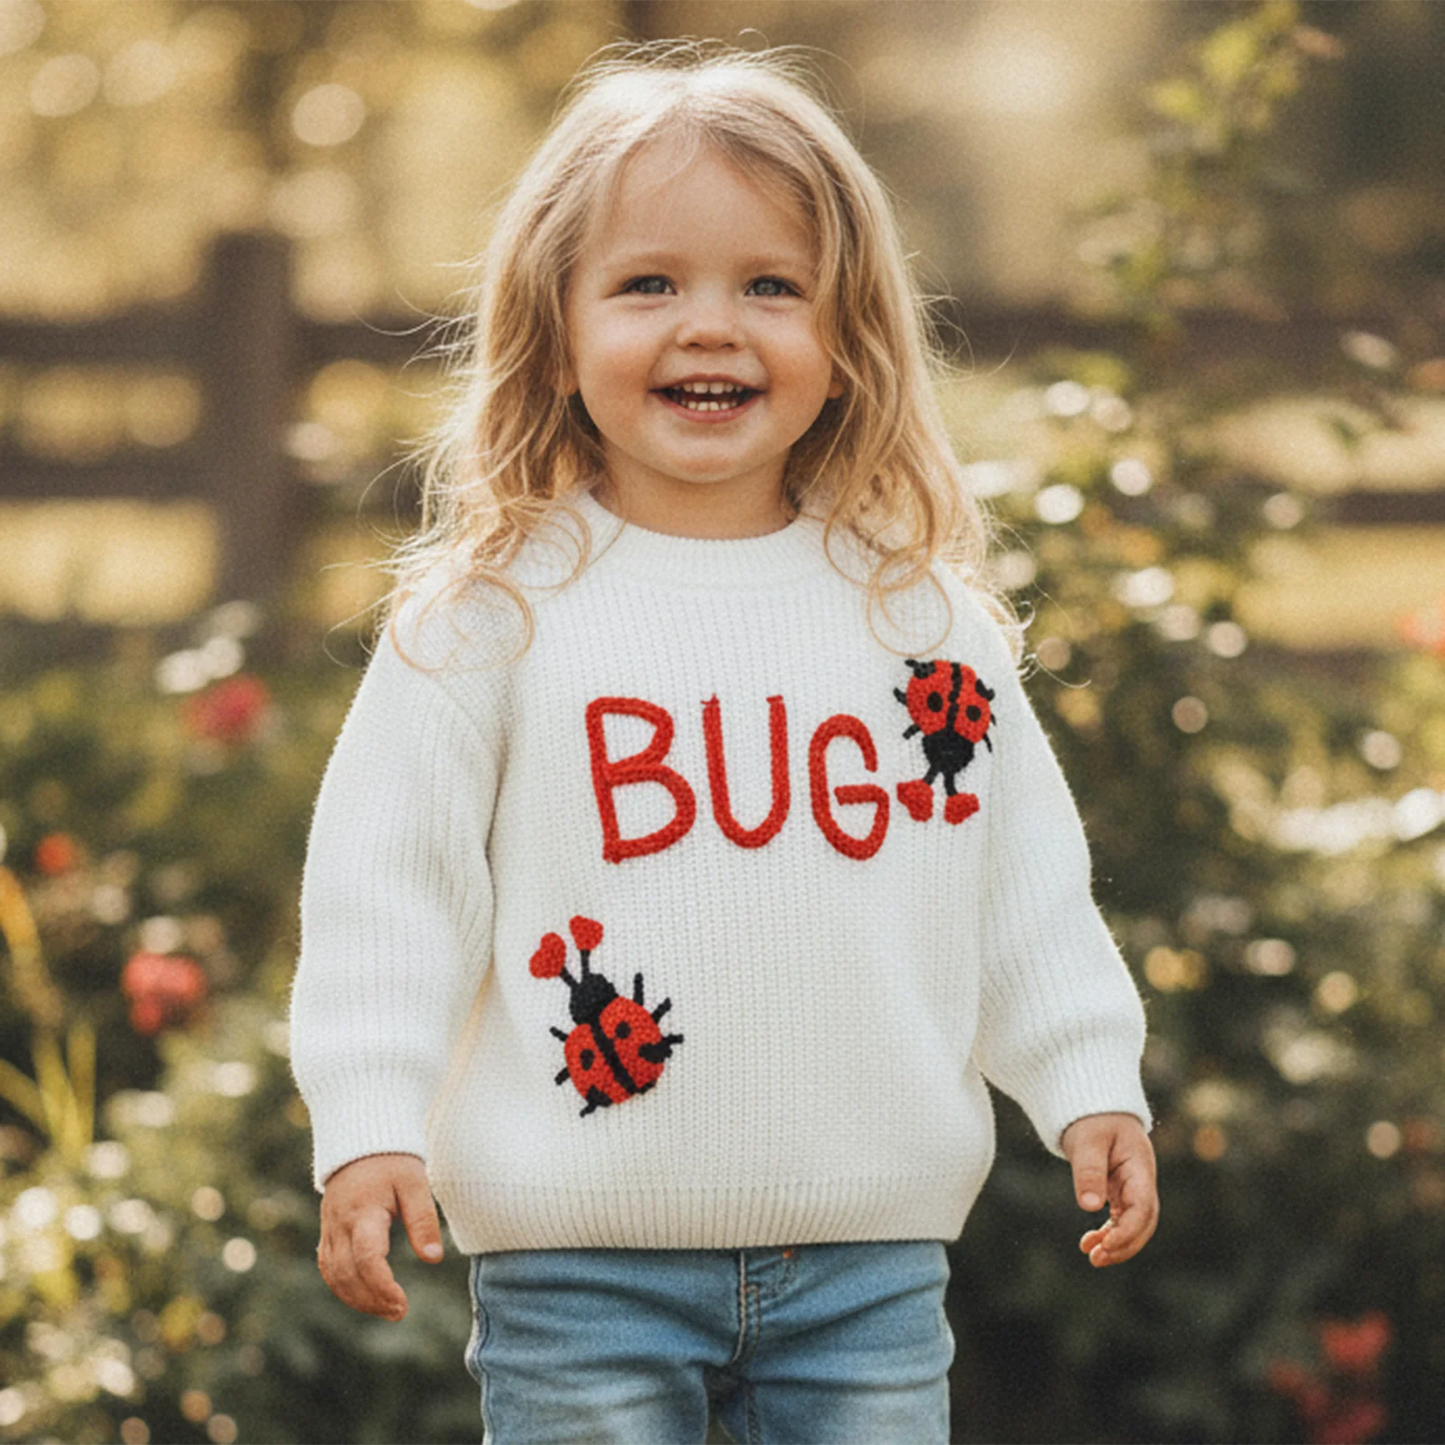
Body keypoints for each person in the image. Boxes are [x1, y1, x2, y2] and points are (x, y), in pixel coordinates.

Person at [289, 39, 1159, 1445]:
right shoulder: (491, 621)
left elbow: (1022, 887)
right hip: (578, 1272)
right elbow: (390, 895)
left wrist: (1087, 1080)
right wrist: (372, 1119)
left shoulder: (917, 619)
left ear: (846, 338)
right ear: (557, 331)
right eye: (649, 284)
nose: (711, 326)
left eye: (771, 285)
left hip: (868, 1267)